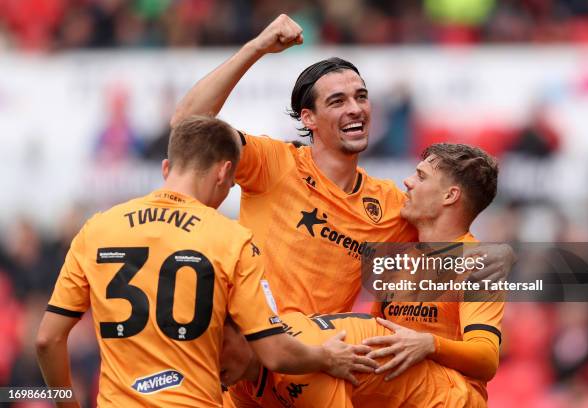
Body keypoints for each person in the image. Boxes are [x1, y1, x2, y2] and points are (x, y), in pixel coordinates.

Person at [171, 14, 514, 316]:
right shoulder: (273, 162)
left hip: (312, 376)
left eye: (361, 96)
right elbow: (188, 122)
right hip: (244, 368)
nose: (355, 108)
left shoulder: (391, 208)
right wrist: (256, 47)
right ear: (309, 119)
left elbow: (452, 242)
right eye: (337, 101)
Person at [36, 116, 376, 408]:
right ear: (224, 172)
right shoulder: (230, 238)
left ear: (167, 168)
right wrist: (327, 357)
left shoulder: (97, 229)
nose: (227, 191)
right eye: (230, 184)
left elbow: (47, 341)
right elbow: (274, 353)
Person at [364, 143, 503, 403]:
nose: (407, 181)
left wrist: (430, 344)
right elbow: (375, 332)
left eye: (421, 176)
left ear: (449, 196)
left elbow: (487, 358)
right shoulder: (396, 257)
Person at [222, 312, 485, 408]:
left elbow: (487, 357)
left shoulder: (304, 370)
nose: (210, 358)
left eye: (220, 344)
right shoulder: (242, 382)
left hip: (445, 401)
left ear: (245, 330)